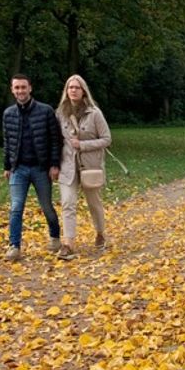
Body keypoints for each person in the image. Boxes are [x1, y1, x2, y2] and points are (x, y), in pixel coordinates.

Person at [2, 73, 62, 262]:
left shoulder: (45, 111)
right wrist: (7, 166)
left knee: (46, 206)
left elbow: (55, 140)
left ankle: (55, 237)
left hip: (40, 168)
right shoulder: (8, 114)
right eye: (17, 87)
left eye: (23, 87)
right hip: (18, 169)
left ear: (30, 88)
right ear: (12, 90)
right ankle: (14, 246)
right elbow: (7, 141)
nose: (20, 91)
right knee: (16, 207)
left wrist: (54, 165)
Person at [55, 74, 112, 259]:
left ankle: (101, 233)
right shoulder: (60, 113)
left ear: (83, 90)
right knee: (68, 203)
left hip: (89, 166)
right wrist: (53, 164)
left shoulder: (94, 113)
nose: (73, 90)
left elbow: (107, 139)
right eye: (70, 87)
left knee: (94, 203)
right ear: (66, 91)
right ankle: (68, 243)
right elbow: (56, 140)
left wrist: (84, 145)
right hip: (67, 165)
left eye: (77, 87)